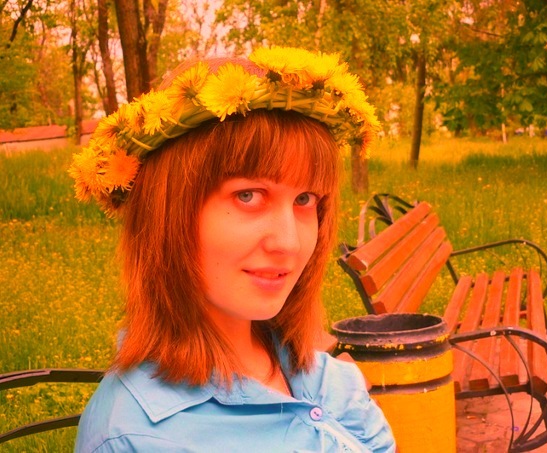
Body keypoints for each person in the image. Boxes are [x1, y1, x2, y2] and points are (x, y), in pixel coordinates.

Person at [69, 46, 395, 452]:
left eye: (305, 199)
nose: (289, 243)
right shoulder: (138, 440)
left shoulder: (310, 368)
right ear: (167, 217)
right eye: (248, 196)